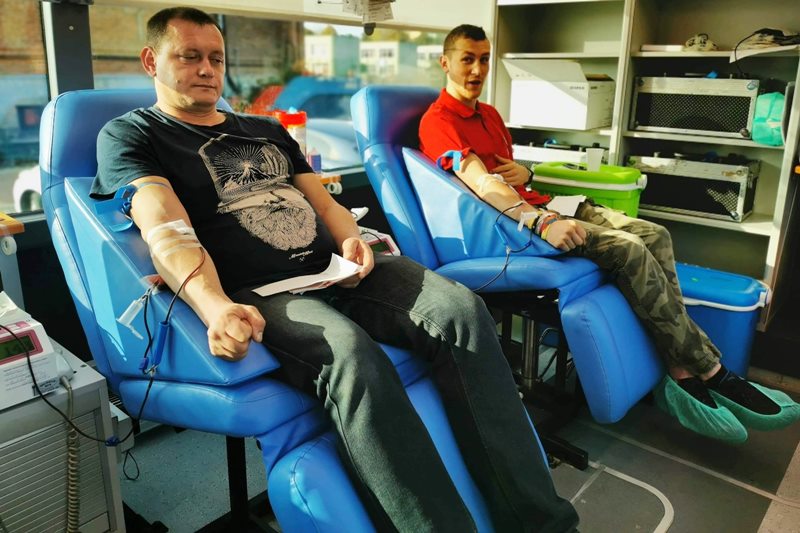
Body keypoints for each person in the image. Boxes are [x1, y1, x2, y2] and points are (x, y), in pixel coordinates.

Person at [91, 7, 579, 533]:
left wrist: (351, 239)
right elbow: (165, 227)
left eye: (216, 57)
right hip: (262, 291)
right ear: (151, 61)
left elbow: (324, 204)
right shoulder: (134, 134)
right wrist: (215, 306)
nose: (207, 69)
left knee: (462, 311)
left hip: (336, 267)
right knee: (351, 355)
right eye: (189, 57)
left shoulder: (265, 129)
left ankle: (541, 520)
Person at [419, 24, 800, 444]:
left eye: (484, 59)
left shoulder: (490, 115)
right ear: (445, 62)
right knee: (629, 249)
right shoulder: (438, 121)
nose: (477, 69)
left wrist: (527, 173)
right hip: (519, 225)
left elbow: (508, 173)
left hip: (547, 204)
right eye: (467, 59)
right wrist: (540, 222)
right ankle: (708, 368)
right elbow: (482, 183)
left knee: (655, 235)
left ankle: (678, 366)